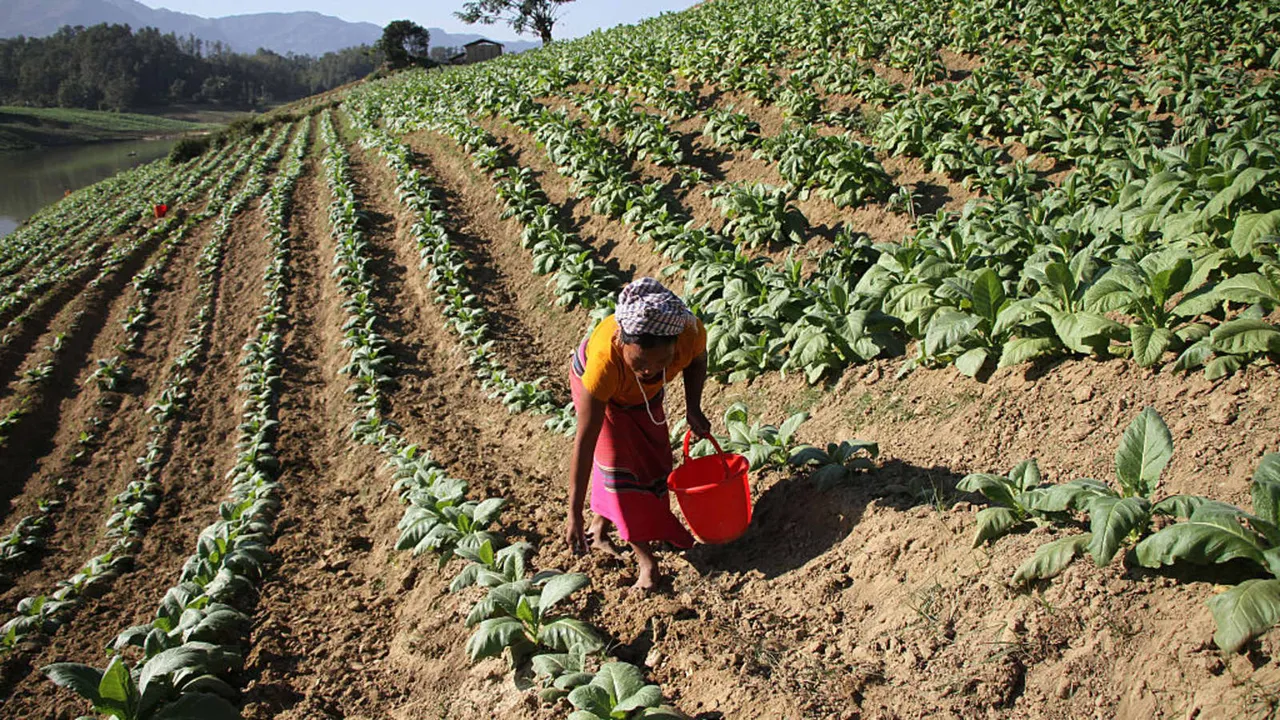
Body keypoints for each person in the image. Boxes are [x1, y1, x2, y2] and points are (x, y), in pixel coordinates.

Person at [566, 277, 710, 593]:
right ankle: (647, 561)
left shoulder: (689, 335)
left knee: (655, 465)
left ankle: (600, 527)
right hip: (604, 397)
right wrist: (573, 511)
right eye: (641, 361)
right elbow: (585, 441)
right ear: (622, 342)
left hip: (641, 398)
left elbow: (697, 362)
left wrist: (693, 408)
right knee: (619, 472)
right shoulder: (604, 365)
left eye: (663, 361)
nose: (650, 370)